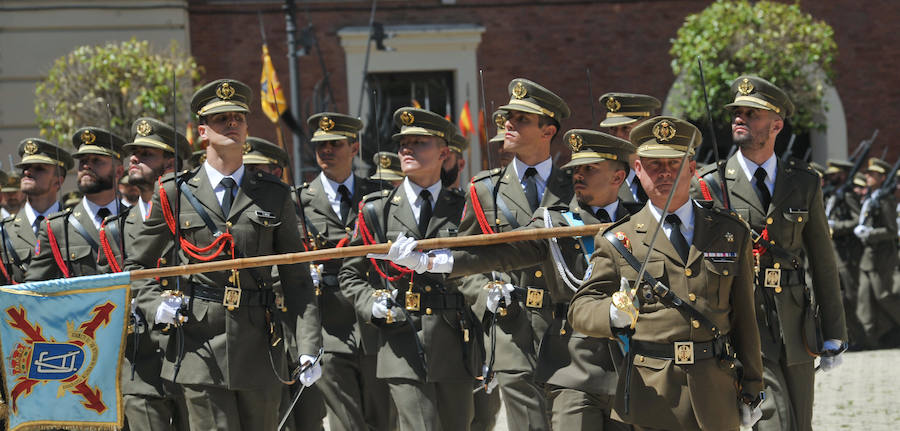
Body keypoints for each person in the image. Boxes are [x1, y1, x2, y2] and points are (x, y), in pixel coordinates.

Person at [374, 129, 638, 430]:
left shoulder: (639, 222)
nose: (579, 175)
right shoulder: (555, 221)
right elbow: (500, 252)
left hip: (630, 359)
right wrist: (428, 261)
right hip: (575, 360)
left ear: (618, 177)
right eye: (577, 168)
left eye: (590, 168)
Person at [124, 79, 322, 430]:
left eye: (238, 118)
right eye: (221, 119)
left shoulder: (274, 194)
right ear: (203, 131)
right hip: (199, 347)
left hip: (260, 346)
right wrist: (156, 305)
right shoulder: (174, 192)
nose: (232, 123)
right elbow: (137, 266)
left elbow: (297, 280)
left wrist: (308, 345)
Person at [569, 116, 763, 430]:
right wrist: (611, 315)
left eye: (674, 163)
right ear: (637, 169)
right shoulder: (619, 239)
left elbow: (745, 318)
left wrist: (753, 386)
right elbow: (580, 308)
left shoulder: (728, 232)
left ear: (691, 168)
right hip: (652, 396)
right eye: (654, 164)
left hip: (716, 390)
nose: (664, 173)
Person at [692, 75, 847, 431]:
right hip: (746, 322)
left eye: (752, 113)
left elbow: (822, 260)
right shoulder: (710, 184)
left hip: (796, 323)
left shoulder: (803, 181)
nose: (740, 118)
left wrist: (834, 330)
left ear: (776, 125)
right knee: (775, 421)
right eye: (737, 112)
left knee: (800, 422)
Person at [339, 107, 475, 431]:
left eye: (419, 143)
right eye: (403, 144)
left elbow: (478, 265)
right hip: (400, 339)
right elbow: (350, 274)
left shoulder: (465, 207)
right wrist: (371, 302)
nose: (407, 150)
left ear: (444, 153)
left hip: (454, 338)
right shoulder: (377, 209)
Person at [458, 78, 572, 431]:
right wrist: (485, 295)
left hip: (566, 326)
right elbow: (465, 261)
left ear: (548, 131)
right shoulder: (485, 189)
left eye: (522, 119)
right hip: (511, 327)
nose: (508, 123)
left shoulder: (575, 185)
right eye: (508, 117)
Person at [297, 112, 392, 431]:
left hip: (375, 321)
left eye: (335, 144)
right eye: (320, 145)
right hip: (329, 325)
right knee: (345, 423)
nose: (326, 151)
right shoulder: (300, 200)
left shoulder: (378, 195)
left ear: (354, 147)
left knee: (384, 420)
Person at [117, 117, 192, 430]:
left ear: (170, 163)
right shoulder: (116, 228)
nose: (134, 159)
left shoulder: (192, 218)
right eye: (133, 154)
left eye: (146, 154)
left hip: (191, 357)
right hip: (142, 365)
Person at [26, 127, 126, 280]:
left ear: (118, 172)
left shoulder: (134, 220)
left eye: (96, 160)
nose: (86, 166)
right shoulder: (57, 227)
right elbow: (34, 285)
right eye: (83, 161)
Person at [0, 138, 73, 283]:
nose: (27, 172)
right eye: (25, 168)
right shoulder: (4, 231)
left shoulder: (74, 225)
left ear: (58, 181)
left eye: (39, 168)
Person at [855, 158, 900, 347]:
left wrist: (869, 233)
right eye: (868, 173)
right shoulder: (871, 198)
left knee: (884, 296)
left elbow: (891, 230)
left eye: (873, 174)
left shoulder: (885, 200)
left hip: (881, 256)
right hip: (868, 257)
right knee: (864, 299)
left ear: (882, 178)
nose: (868, 177)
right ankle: (869, 339)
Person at [598, 92, 661, 205]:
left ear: (648, 129)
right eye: (613, 129)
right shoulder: (599, 179)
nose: (617, 136)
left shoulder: (669, 172)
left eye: (626, 128)